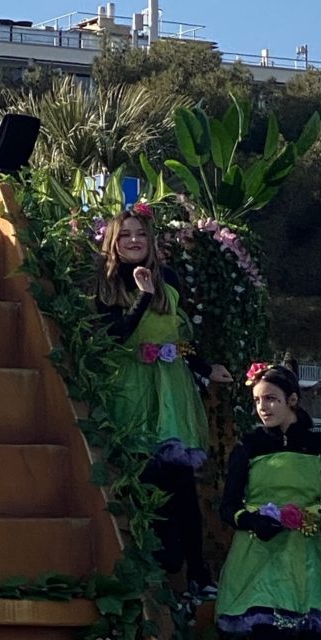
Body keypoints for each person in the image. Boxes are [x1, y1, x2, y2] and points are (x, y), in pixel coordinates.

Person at [96, 205, 233, 592]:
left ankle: (198, 576)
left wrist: (206, 368)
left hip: (171, 393)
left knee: (182, 485)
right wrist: (142, 296)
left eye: (140, 233)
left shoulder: (168, 279)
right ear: (113, 243)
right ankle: (152, 569)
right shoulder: (107, 285)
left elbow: (180, 338)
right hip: (132, 392)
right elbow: (116, 337)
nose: (134, 240)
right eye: (125, 235)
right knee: (143, 480)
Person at [216, 363, 321, 640]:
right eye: (257, 400)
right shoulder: (249, 446)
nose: (263, 407)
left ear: (292, 400)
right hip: (262, 559)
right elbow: (228, 505)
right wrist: (252, 520)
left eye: (271, 399)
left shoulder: (319, 447)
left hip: (312, 557)